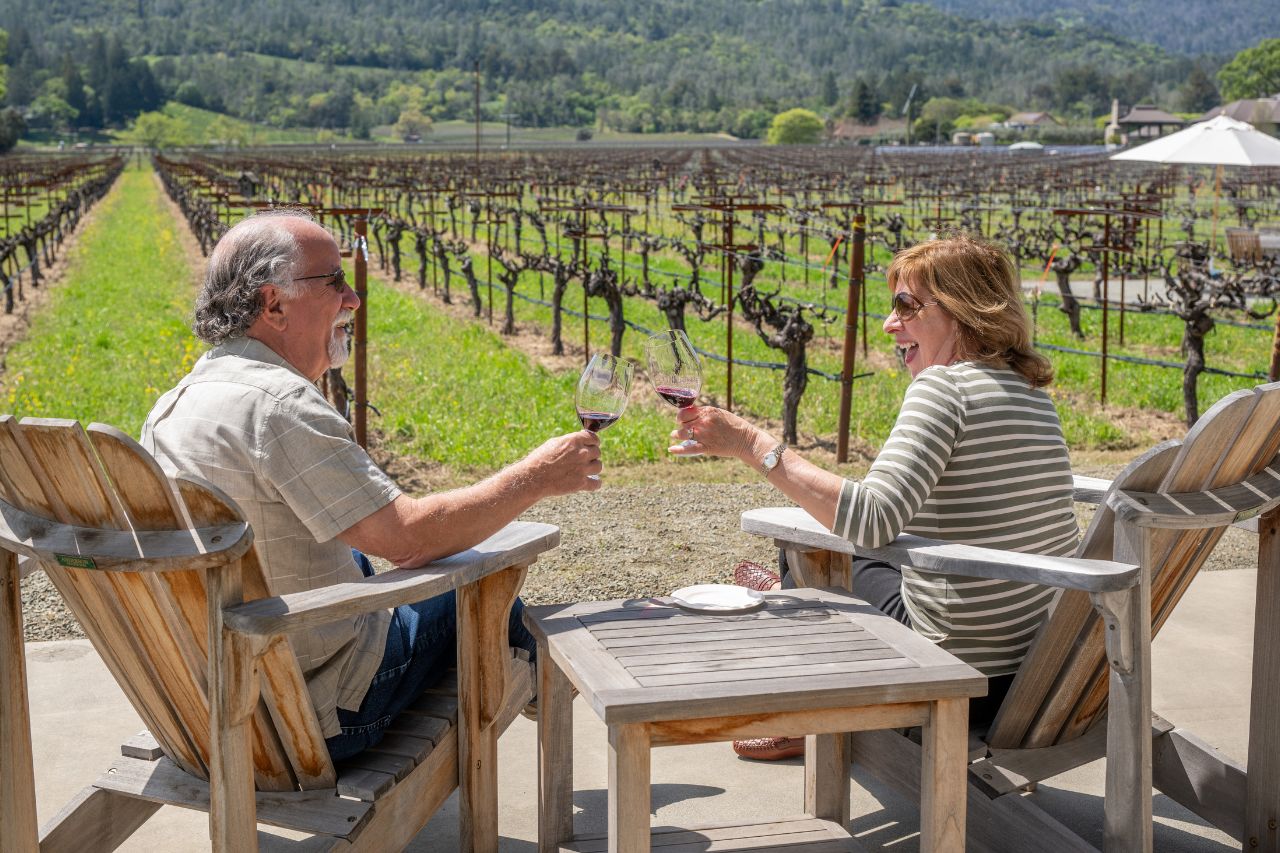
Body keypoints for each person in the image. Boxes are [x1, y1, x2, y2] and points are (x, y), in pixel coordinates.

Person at [142, 209, 602, 762]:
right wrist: (537, 477)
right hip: (317, 712)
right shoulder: (279, 408)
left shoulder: (174, 407)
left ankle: (548, 682)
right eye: (333, 281)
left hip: (211, 703)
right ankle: (559, 692)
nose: (353, 298)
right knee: (486, 586)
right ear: (274, 304)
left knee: (373, 568)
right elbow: (409, 541)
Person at [670, 234, 1078, 760]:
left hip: (955, 674)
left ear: (961, 311)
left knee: (806, 546)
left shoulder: (943, 389)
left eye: (907, 306)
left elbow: (871, 520)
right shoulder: (1031, 395)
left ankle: (808, 715)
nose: (889, 324)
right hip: (1027, 674)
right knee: (829, 550)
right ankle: (786, 590)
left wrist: (753, 445)